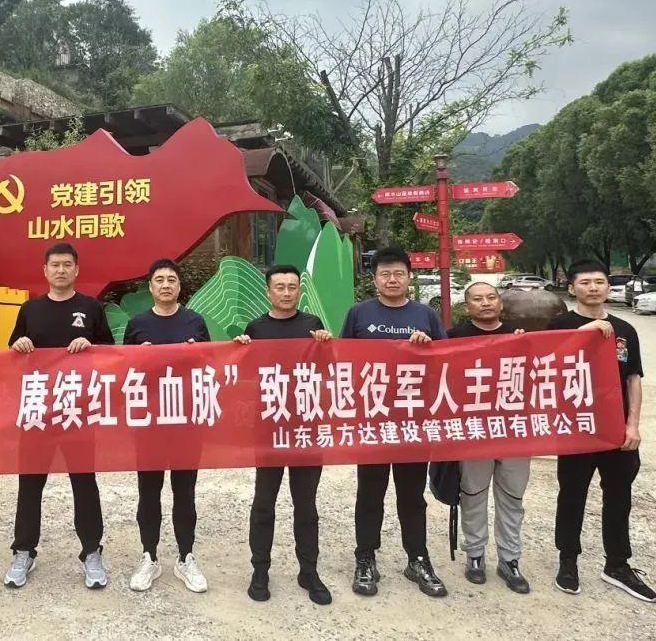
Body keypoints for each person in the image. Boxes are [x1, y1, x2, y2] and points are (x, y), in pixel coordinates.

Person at [547, 259, 656, 603]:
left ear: (608, 287)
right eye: (585, 282)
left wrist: (632, 424)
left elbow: (633, 379)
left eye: (599, 281)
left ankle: (618, 564)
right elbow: (546, 366)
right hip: (577, 428)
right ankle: (568, 561)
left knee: (619, 496)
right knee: (572, 494)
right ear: (571, 288)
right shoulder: (560, 325)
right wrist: (585, 333)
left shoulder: (626, 329)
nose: (593, 287)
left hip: (616, 430)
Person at [340, 245, 447, 598]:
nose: (391, 280)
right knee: (370, 493)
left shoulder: (426, 316)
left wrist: (427, 347)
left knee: (412, 495)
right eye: (384, 274)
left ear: (409, 277)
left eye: (398, 273)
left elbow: (448, 361)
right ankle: (365, 558)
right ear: (374, 280)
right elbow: (343, 362)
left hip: (413, 420)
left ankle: (417, 558)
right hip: (372, 419)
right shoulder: (358, 314)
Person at [4, 242, 113, 590]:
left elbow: (111, 354)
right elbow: (12, 352)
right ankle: (23, 551)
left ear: (76, 270)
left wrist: (91, 347)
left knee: (84, 482)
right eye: (55, 265)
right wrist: (19, 346)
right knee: (30, 483)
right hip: (38, 410)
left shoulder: (91, 308)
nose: (61, 270)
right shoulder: (30, 309)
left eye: (67, 265)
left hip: (77, 410)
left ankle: (92, 552)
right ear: (45, 270)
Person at [235, 264, 334, 606]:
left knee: (306, 505)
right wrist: (241, 348)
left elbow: (329, 371)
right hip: (269, 427)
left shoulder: (312, 325)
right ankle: (260, 570)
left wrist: (325, 346)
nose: (287, 293)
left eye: (292, 287)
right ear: (268, 292)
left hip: (306, 425)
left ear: (298, 291)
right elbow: (245, 377)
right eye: (280, 287)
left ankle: (309, 571)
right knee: (264, 502)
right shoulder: (256, 328)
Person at [124, 258, 211, 594]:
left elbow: (210, 365)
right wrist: (139, 357)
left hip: (185, 420)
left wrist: (196, 355)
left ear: (179, 286)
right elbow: (123, 371)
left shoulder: (195, 322)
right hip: (149, 422)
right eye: (159, 279)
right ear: (150, 286)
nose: (165, 285)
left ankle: (186, 557)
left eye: (171, 279)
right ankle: (149, 556)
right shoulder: (137, 324)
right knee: (149, 490)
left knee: (184, 491)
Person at [447, 282, 530, 593]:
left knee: (512, 498)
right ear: (466, 306)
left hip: (514, 432)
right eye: (477, 299)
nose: (485, 303)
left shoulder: (520, 337)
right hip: (473, 432)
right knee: (473, 495)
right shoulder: (452, 338)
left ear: (501, 303)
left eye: (491, 297)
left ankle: (510, 559)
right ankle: (475, 555)